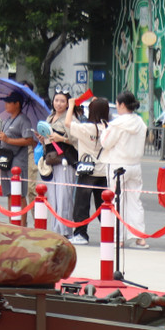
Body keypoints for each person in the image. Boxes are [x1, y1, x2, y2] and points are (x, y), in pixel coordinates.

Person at [101, 91, 149, 248]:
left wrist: (105, 130)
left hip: (118, 164)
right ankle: (139, 237)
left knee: (117, 201)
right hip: (135, 164)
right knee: (135, 201)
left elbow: (105, 143)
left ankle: (118, 238)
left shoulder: (117, 124)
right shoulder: (140, 122)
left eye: (117, 104)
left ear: (122, 105)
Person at [66, 97, 109, 244]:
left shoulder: (87, 128)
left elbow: (68, 123)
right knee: (103, 205)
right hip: (103, 171)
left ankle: (81, 234)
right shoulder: (109, 128)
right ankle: (110, 233)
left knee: (81, 204)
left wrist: (71, 105)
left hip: (87, 171)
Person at [42, 89, 80, 238]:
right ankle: (55, 230)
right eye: (56, 100)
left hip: (65, 161)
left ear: (68, 104)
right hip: (51, 160)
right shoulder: (50, 117)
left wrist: (61, 138)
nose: (58, 104)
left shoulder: (71, 119)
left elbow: (77, 139)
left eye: (62, 101)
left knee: (64, 196)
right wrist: (42, 138)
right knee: (53, 196)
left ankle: (65, 231)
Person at [0, 91, 36, 209]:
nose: (6, 105)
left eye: (9, 102)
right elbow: (4, 139)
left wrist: (8, 140)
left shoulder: (24, 120)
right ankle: (11, 219)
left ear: (17, 104)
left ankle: (21, 220)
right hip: (5, 160)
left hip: (18, 161)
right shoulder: (6, 120)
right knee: (9, 194)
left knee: (19, 194)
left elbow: (29, 140)